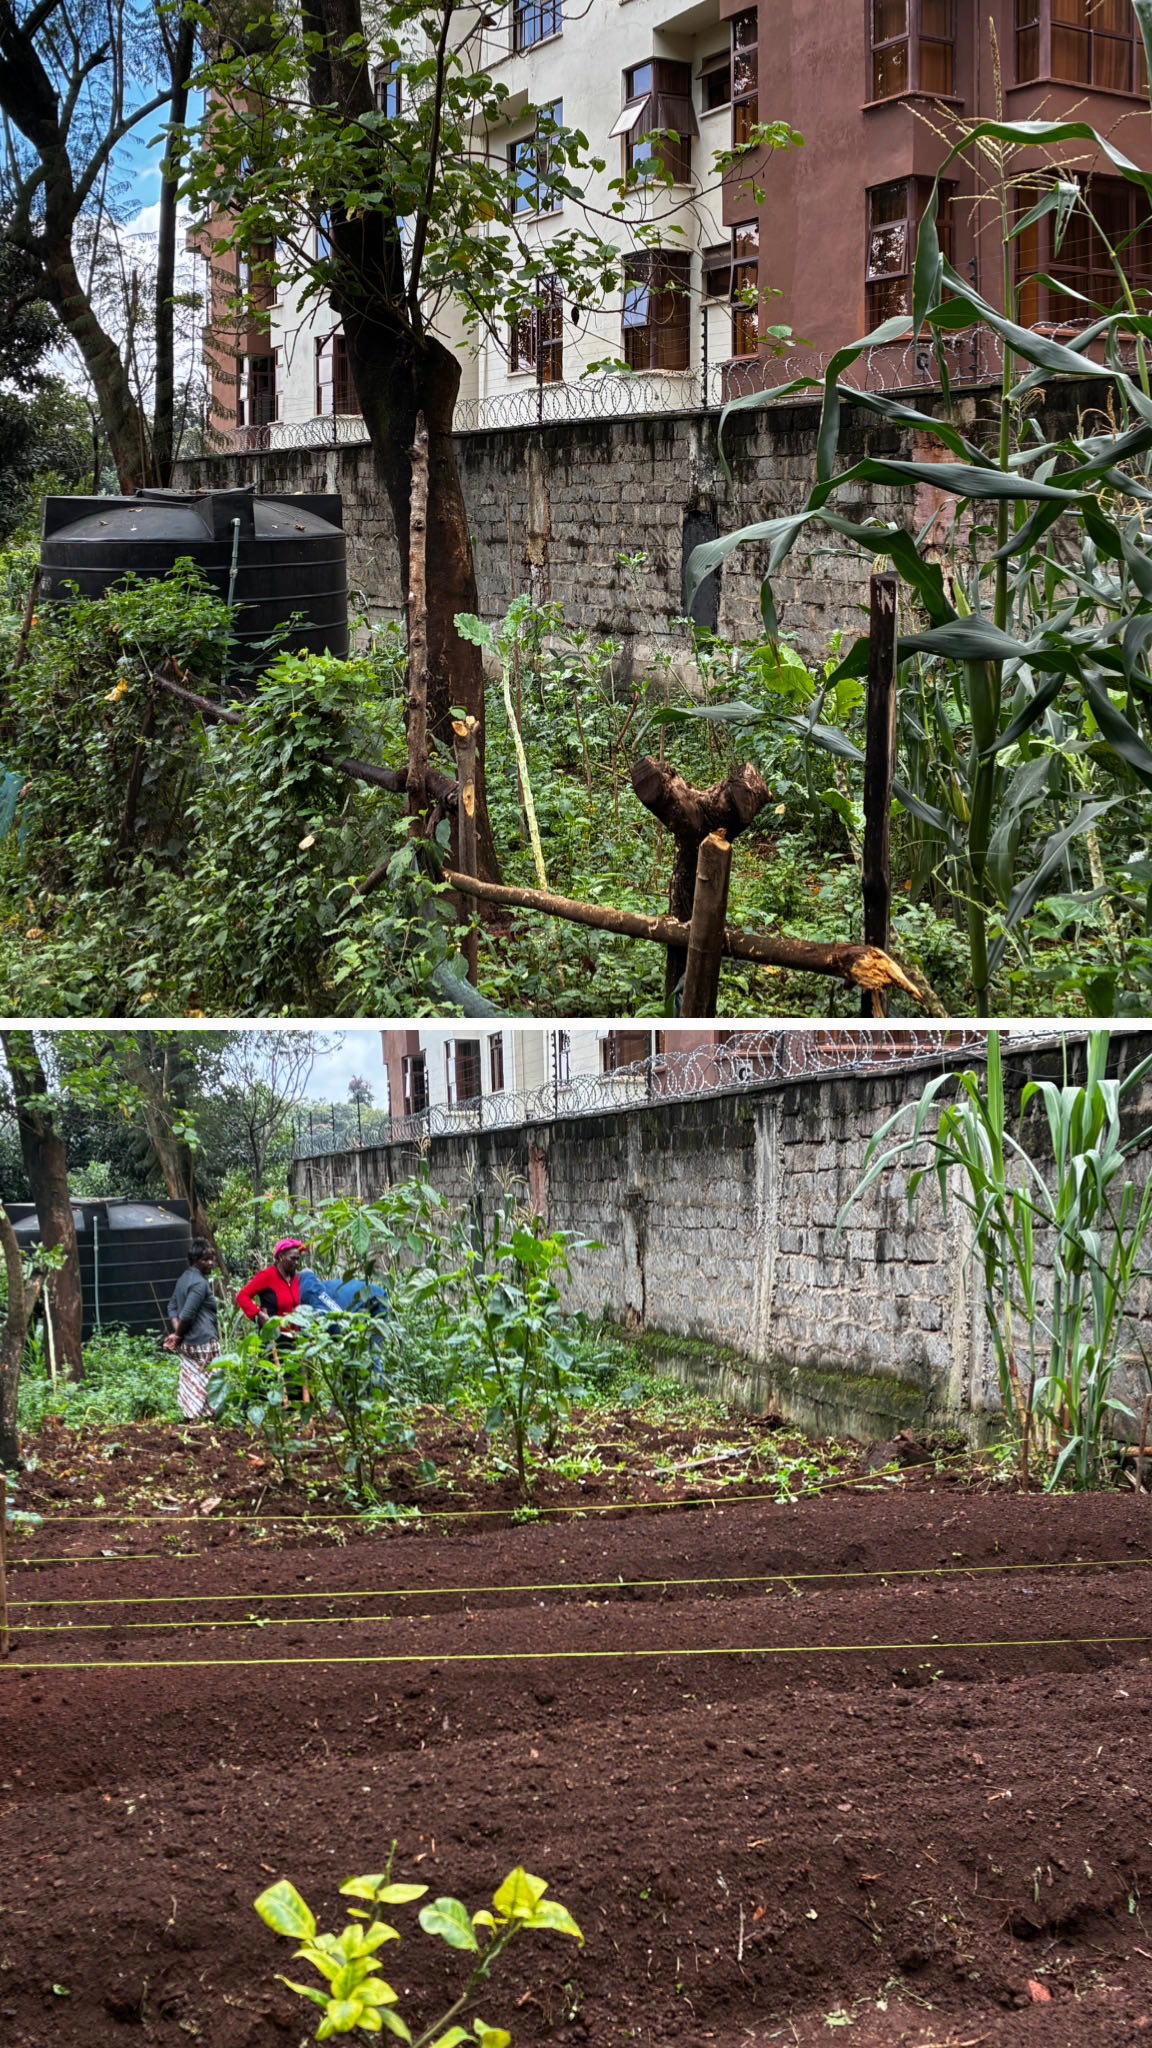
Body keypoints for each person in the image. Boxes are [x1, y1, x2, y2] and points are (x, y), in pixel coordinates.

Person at [164, 1239, 222, 1421]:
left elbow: (172, 1308)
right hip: (204, 1341)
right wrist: (178, 1334)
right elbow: (187, 1314)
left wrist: (178, 1335)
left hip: (189, 1342)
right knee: (212, 1381)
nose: (211, 1263)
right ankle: (207, 1418)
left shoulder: (184, 1279)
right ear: (195, 1260)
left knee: (193, 1380)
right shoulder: (199, 1283)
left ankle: (192, 1417)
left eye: (212, 1259)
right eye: (206, 1259)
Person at [236, 1238, 306, 1332]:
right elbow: (242, 1296)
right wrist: (258, 1314)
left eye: (298, 1259)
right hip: (273, 1339)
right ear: (281, 1257)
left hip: (295, 1339)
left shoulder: (297, 1278)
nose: (296, 1262)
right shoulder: (267, 1276)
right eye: (292, 1258)